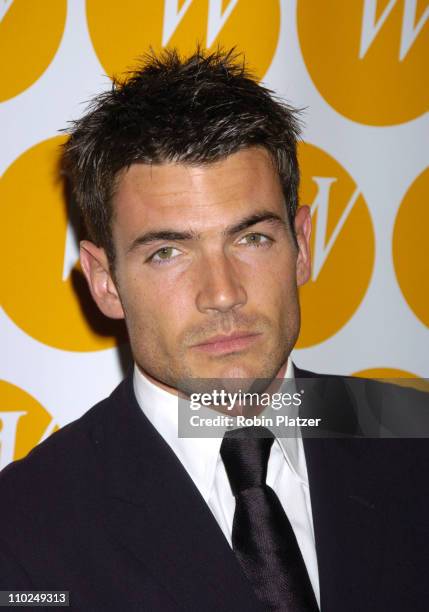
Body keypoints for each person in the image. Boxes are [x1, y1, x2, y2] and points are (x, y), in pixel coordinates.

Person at [0, 48, 428, 612]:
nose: (223, 292)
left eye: (252, 238)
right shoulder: (24, 529)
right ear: (105, 282)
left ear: (301, 245)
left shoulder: (415, 443)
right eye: (168, 252)